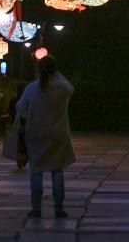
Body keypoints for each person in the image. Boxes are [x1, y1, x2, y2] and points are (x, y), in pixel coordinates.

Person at [16, 55, 75, 219]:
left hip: (36, 134)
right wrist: (58, 74)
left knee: (36, 172)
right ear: (54, 70)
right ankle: (58, 208)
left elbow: (20, 108)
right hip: (58, 134)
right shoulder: (61, 88)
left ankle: (36, 208)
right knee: (57, 171)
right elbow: (71, 88)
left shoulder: (32, 88)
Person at [7, 82, 28, 170]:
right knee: (25, 142)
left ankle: (20, 159)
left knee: (17, 142)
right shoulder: (27, 100)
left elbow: (9, 112)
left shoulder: (13, 100)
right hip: (26, 125)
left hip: (16, 125)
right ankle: (24, 158)